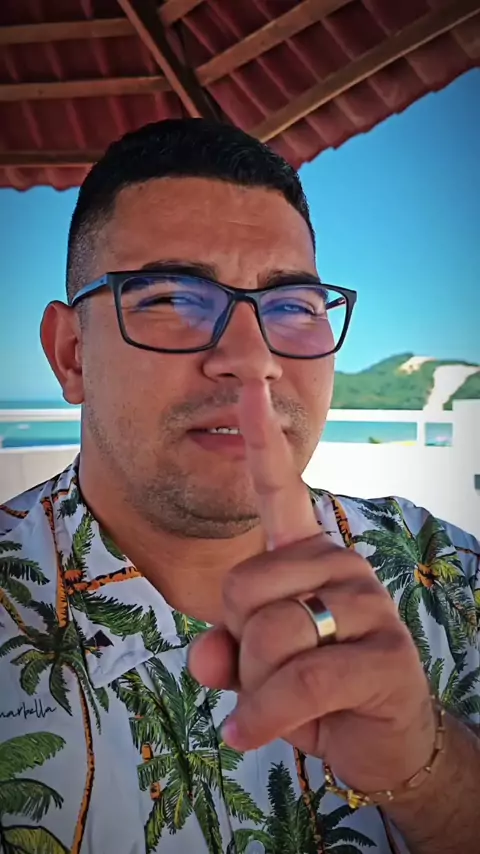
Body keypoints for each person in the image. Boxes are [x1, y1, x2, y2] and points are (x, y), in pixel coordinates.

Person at [0, 118, 478, 854]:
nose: (253, 359)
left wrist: (426, 769)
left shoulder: (446, 578)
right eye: (170, 298)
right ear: (71, 354)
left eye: (292, 306)